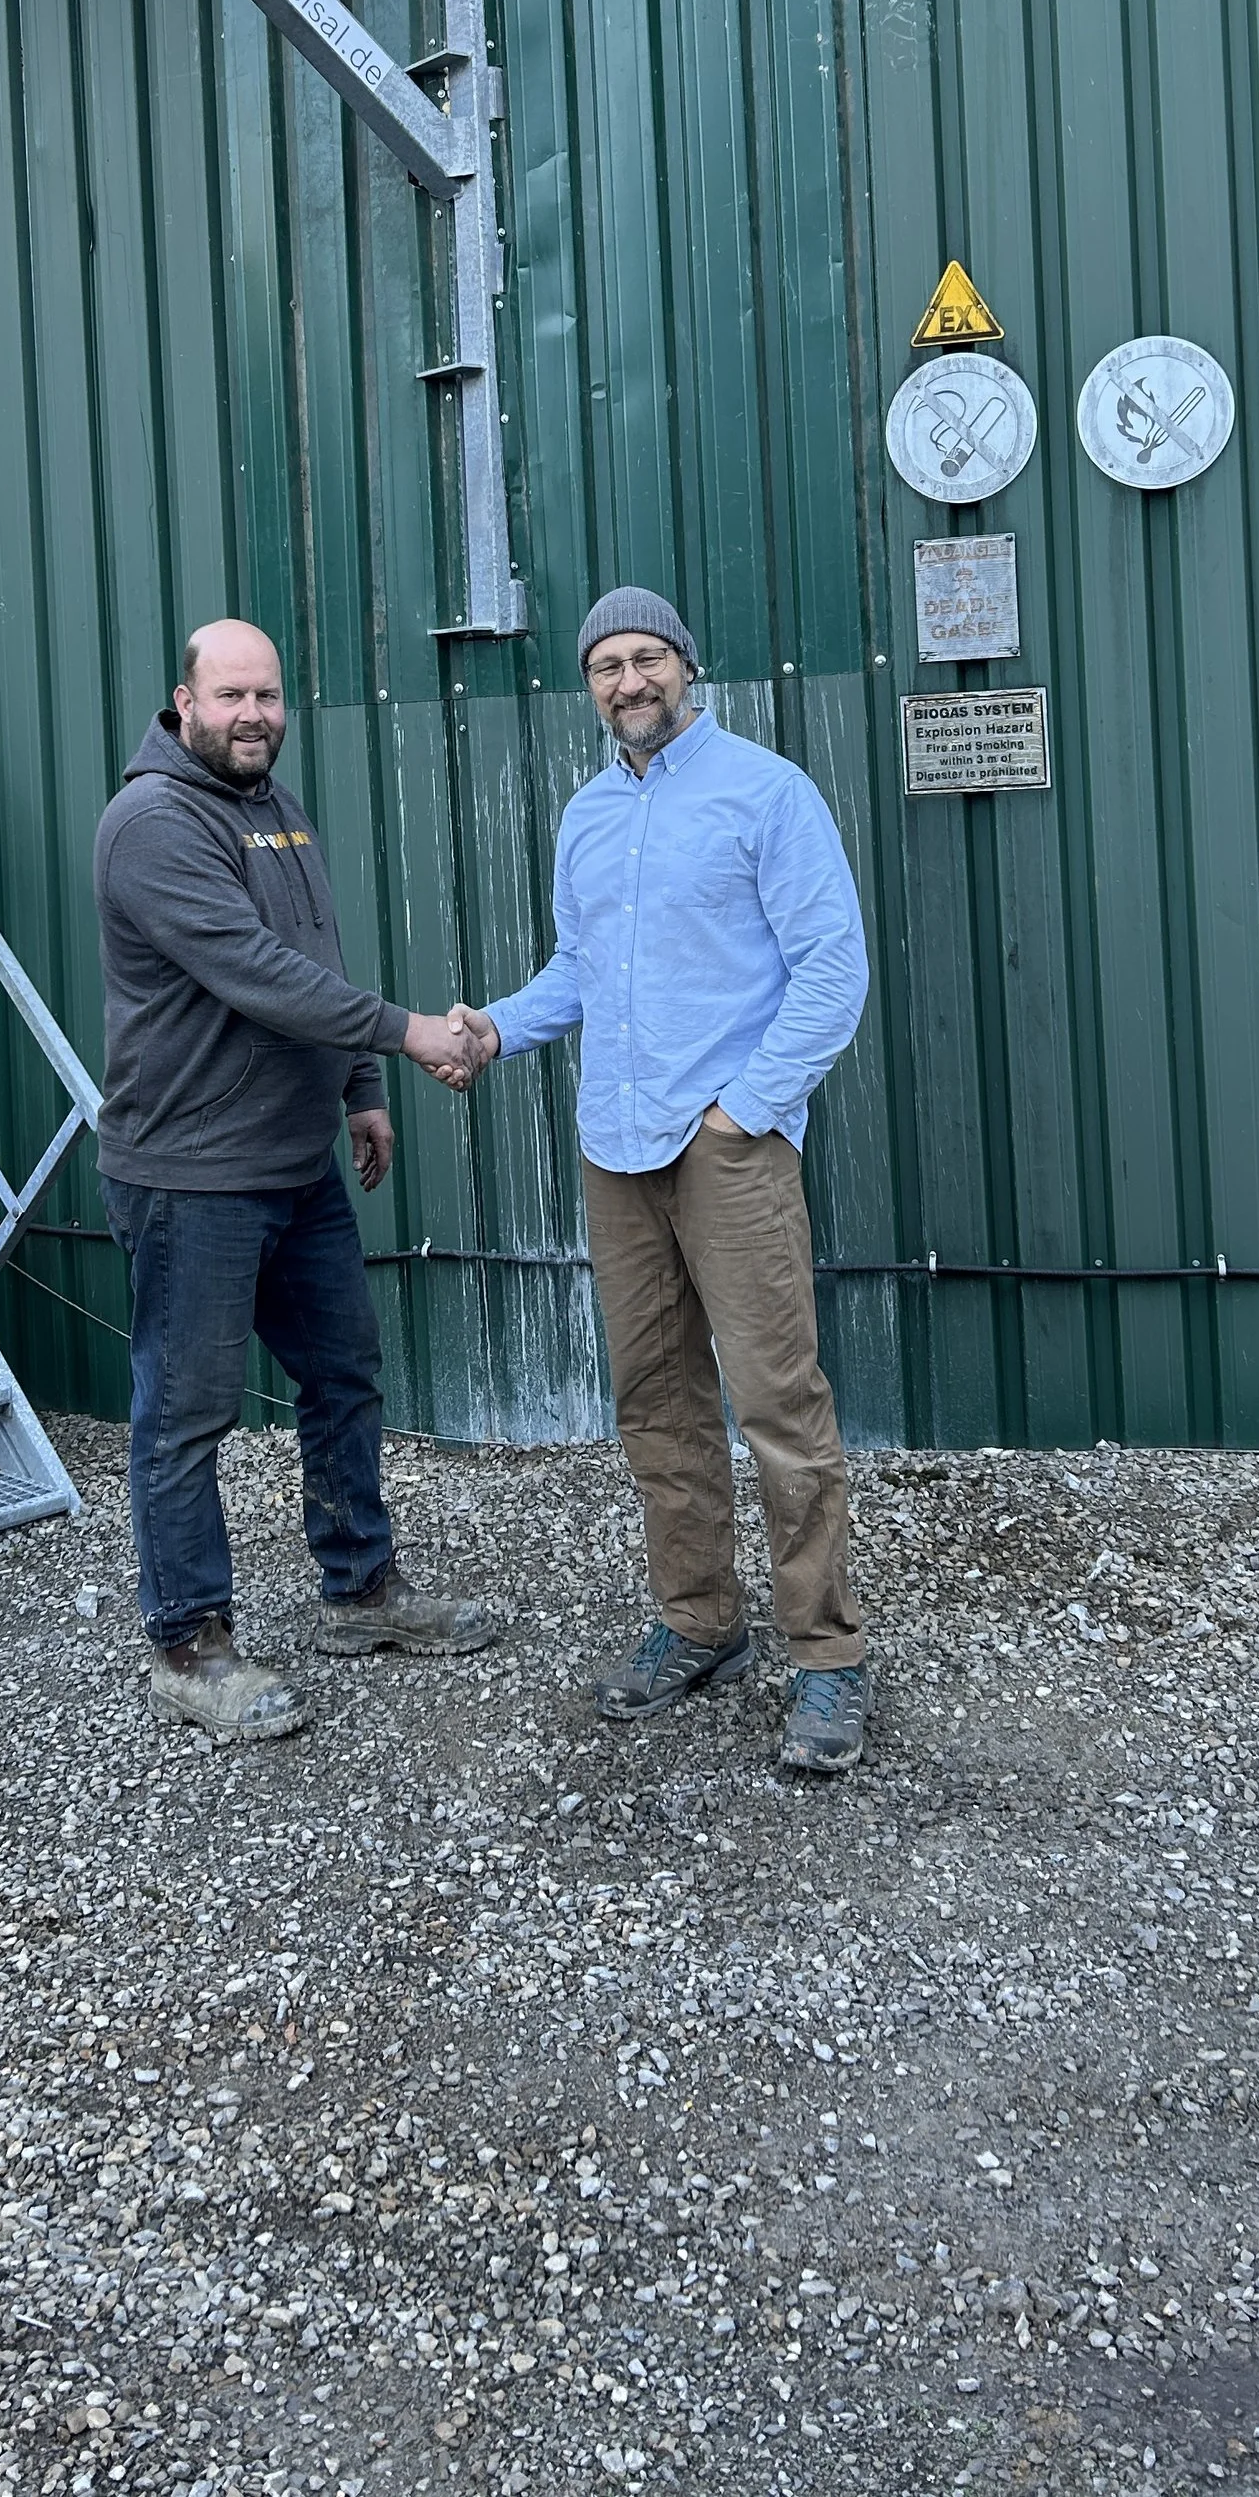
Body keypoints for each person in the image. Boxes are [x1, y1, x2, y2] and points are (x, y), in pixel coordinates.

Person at [452, 589, 873, 1774]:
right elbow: (577, 974)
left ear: (686, 665)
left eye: (644, 659)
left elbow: (829, 972)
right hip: (615, 1144)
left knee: (779, 1404)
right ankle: (699, 1622)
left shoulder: (765, 793)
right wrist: (492, 1031)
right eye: (603, 667)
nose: (626, 682)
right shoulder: (586, 814)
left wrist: (749, 1109)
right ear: (587, 687)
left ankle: (828, 1658)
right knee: (653, 1397)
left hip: (722, 1146)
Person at [94, 618, 497, 1744]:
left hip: (291, 1160)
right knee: (185, 1415)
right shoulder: (152, 824)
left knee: (343, 1374)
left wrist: (359, 1084)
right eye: (231, 697)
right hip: (190, 1175)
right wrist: (411, 1030)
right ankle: (188, 1644)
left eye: (268, 695)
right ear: (183, 703)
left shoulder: (272, 806)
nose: (254, 716)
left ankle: (359, 1592)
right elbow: (253, 974)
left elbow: (312, 954)